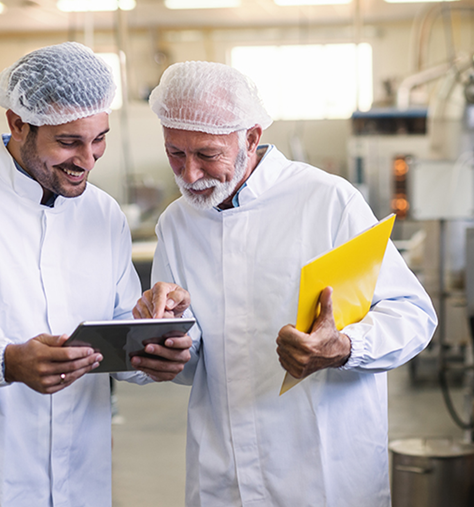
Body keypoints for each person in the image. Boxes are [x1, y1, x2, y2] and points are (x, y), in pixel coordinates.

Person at [134, 61, 437, 506]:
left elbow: (413, 314)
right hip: (225, 475)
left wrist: (347, 347)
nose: (190, 174)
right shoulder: (177, 223)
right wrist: (168, 341)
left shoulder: (326, 200)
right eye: (175, 153)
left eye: (207, 155)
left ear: (251, 138)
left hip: (323, 473)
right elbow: (197, 360)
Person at [0, 42, 191, 507]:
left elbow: (114, 334)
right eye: (68, 142)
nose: (88, 159)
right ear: (18, 123)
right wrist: (4, 361)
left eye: (98, 138)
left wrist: (152, 342)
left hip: (81, 482)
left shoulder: (102, 213)